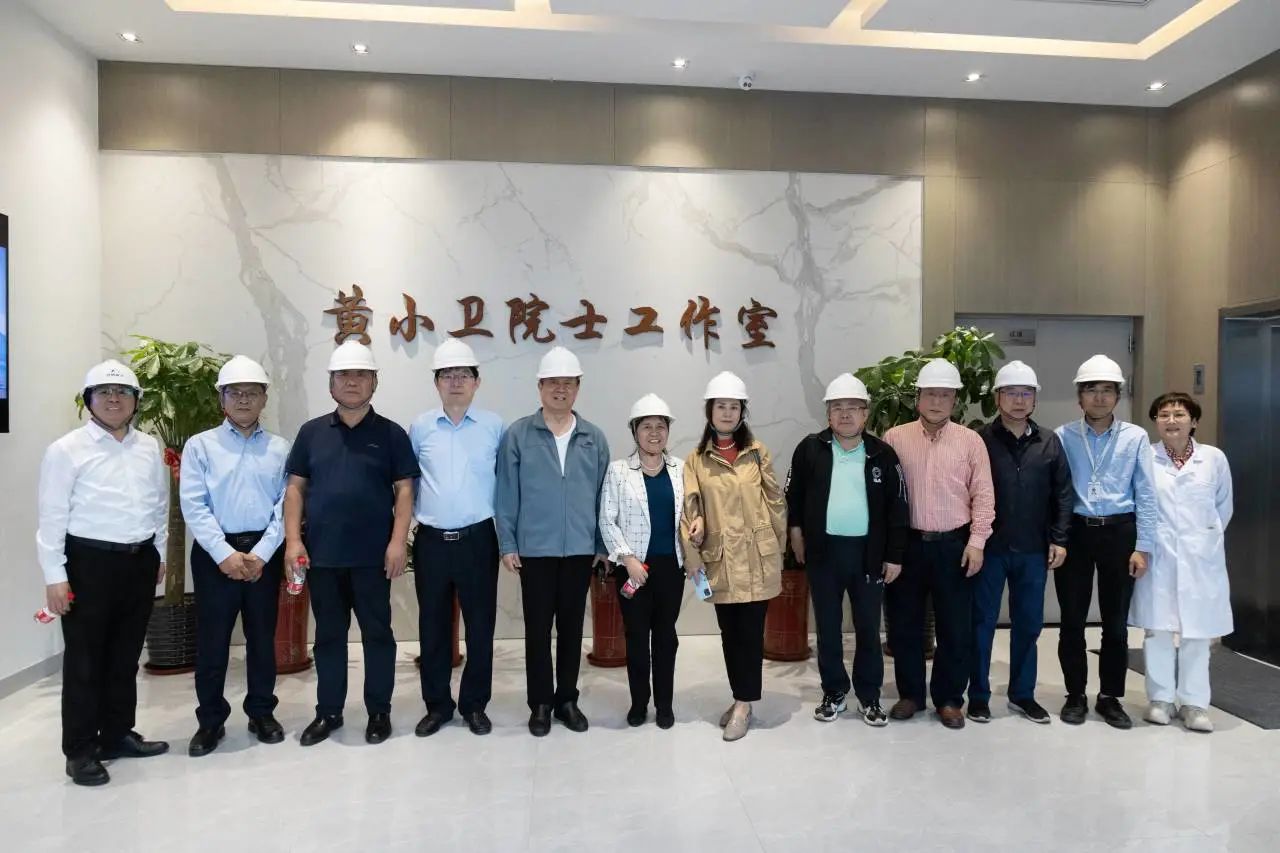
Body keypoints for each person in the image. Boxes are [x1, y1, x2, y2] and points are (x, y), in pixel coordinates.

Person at [36, 359, 169, 786]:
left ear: (136, 401)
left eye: (123, 392)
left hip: (139, 560)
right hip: (87, 563)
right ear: (89, 400)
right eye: (105, 393)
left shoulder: (148, 447)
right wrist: (55, 575)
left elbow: (159, 504)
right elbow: (52, 516)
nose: (114, 399)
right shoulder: (66, 450)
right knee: (85, 661)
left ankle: (116, 734)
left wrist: (159, 554)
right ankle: (79, 751)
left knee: (126, 656)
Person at [284, 341, 418, 746]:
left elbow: (405, 490)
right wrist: (293, 541)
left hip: (373, 558)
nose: (352, 382)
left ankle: (379, 711)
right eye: (344, 375)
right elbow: (295, 489)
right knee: (328, 636)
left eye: (361, 375)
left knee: (378, 634)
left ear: (374, 382)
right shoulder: (311, 433)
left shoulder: (391, 434)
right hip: (323, 556)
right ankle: (329, 711)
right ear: (331, 383)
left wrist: (398, 542)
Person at [496, 346, 610, 737]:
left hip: (580, 549)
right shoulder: (519, 435)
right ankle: (541, 703)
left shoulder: (593, 437)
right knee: (538, 629)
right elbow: (506, 493)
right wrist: (507, 543)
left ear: (578, 388)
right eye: (553, 383)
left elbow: (603, 495)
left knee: (573, 629)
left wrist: (601, 545)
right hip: (535, 550)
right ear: (540, 387)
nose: (560, 389)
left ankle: (567, 700)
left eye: (568, 383)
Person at [180, 356, 290, 756]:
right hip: (215, 554)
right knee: (212, 642)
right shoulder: (200, 446)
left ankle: (262, 712)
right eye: (235, 392)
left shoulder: (280, 448)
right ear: (221, 398)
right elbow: (194, 505)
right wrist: (224, 553)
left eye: (252, 392)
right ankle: (210, 721)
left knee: (262, 638)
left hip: (264, 552)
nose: (244, 399)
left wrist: (260, 554)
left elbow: (286, 507)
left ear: (265, 398)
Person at [786, 373, 909, 727]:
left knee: (868, 628)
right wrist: (795, 533)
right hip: (824, 553)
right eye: (837, 407)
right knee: (828, 627)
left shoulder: (882, 454)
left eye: (853, 407)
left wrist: (894, 555)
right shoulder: (810, 449)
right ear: (828, 413)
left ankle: (869, 696)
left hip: (868, 554)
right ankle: (834, 691)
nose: (845, 414)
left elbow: (898, 507)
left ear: (865, 413)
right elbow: (793, 495)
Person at [883, 358, 995, 730]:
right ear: (918, 397)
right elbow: (885, 498)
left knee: (955, 627)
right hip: (908, 546)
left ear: (954, 400)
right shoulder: (895, 438)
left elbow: (983, 495)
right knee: (905, 624)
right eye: (930, 394)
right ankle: (911, 695)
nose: (936, 401)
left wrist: (976, 542)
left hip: (954, 545)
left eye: (944, 395)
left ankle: (948, 699)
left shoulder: (971, 441)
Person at [681, 371, 786, 742]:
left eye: (734, 406)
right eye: (721, 406)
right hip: (721, 559)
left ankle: (743, 704)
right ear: (709, 411)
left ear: (742, 411)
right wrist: (696, 532)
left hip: (757, 558)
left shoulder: (757, 452)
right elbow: (690, 507)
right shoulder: (696, 459)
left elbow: (775, 501)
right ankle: (741, 697)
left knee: (751, 633)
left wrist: (778, 549)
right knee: (730, 634)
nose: (727, 412)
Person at [1054, 354, 1157, 729]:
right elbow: (1056, 493)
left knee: (1115, 624)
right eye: (1091, 390)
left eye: (1107, 390)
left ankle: (1110, 697)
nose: (1099, 397)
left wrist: (1143, 546)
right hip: (1077, 534)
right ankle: (1075, 695)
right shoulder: (1063, 437)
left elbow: (1146, 493)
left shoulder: (1135, 437)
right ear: (1079, 397)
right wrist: (1056, 537)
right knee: (1072, 620)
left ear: (1118, 396)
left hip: (1120, 533)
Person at [409, 339, 504, 737]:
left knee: (480, 628)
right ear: (436, 382)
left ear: (477, 382)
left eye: (463, 375)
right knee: (432, 627)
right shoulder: (420, 427)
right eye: (447, 375)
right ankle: (437, 706)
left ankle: (474, 705)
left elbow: (506, 483)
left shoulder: (494, 427)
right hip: (431, 541)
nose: (455, 382)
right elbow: (409, 484)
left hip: (478, 539)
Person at [968, 361, 1073, 725]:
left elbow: (1063, 494)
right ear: (997, 398)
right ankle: (978, 696)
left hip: (1033, 549)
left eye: (1026, 393)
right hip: (990, 549)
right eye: (1011, 393)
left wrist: (1059, 538)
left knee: (1028, 624)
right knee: (981, 623)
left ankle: (1022, 695)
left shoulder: (1049, 441)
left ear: (1034, 399)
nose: (1018, 400)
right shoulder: (980, 439)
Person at [1130, 392, 1233, 733]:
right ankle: (1160, 699)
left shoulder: (1213, 459)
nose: (1171, 421)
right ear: (1155, 422)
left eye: (1179, 414)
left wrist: (1202, 540)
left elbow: (1223, 507)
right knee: (1157, 630)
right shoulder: (1146, 457)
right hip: (1158, 555)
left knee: (1197, 633)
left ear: (1194, 421)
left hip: (1200, 557)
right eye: (1163, 415)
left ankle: (1194, 704)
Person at [598, 394, 686, 730]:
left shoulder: (681, 469)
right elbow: (607, 519)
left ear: (668, 431)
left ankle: (665, 705)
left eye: (660, 426)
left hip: (670, 568)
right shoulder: (619, 471)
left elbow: (692, 510)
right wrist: (627, 558)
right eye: (646, 426)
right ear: (634, 431)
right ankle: (638, 703)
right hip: (633, 569)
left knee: (666, 638)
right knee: (636, 638)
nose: (654, 433)